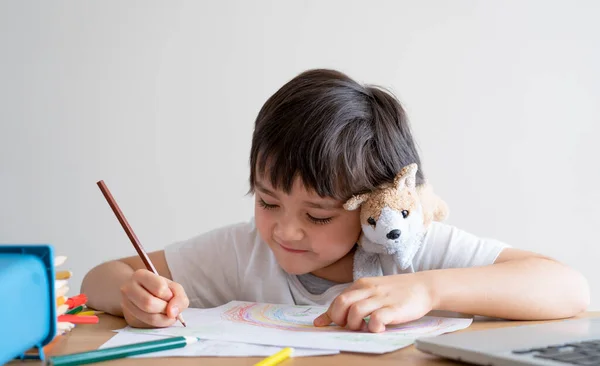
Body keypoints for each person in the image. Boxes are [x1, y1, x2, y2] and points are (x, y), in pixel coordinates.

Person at [81, 69, 590, 333]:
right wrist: (134, 294)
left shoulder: (407, 252)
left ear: (381, 203)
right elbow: (98, 278)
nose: (285, 231)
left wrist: (427, 291)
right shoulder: (241, 252)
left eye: (318, 214)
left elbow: (569, 290)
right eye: (268, 201)